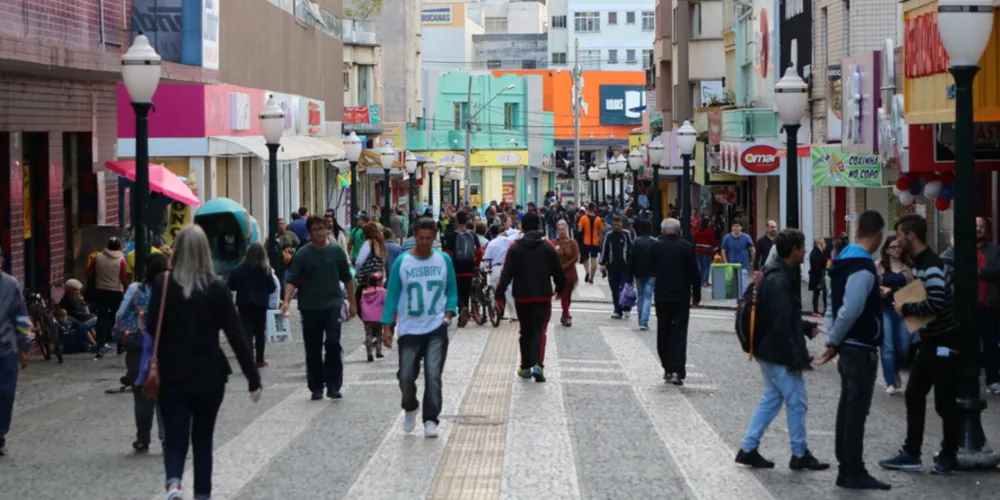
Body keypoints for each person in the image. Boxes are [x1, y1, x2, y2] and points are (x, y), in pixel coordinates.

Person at [147, 225, 262, 500]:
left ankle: (174, 484)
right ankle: (202, 495)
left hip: (172, 373)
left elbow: (152, 326)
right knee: (202, 439)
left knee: (174, 437)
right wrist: (252, 377)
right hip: (210, 375)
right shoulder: (216, 287)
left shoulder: (163, 285)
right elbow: (235, 334)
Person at [735, 229, 828, 472]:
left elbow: (783, 317)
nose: (805, 251)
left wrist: (806, 328)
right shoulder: (780, 279)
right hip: (777, 352)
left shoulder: (775, 272)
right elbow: (781, 323)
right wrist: (797, 358)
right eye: (803, 247)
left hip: (766, 349)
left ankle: (748, 448)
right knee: (797, 401)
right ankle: (799, 453)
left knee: (772, 399)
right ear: (794, 250)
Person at [813, 210, 891, 490]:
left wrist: (833, 338)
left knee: (848, 408)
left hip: (848, 345)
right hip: (859, 346)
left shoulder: (842, 260)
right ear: (879, 232)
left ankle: (847, 467)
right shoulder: (863, 265)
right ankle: (852, 470)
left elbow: (834, 304)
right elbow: (852, 308)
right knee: (856, 410)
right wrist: (834, 341)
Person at [879, 214, 961, 475]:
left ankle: (948, 454)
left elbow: (936, 302)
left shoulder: (932, 265)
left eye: (900, 234)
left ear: (911, 236)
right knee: (915, 395)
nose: (898, 238)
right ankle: (912, 452)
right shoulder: (921, 263)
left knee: (945, 401)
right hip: (931, 340)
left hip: (943, 341)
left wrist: (906, 307)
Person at [380, 218, 457, 438]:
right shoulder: (403, 262)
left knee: (433, 375)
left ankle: (431, 419)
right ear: (414, 237)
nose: (424, 243)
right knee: (405, 374)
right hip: (410, 327)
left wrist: (449, 313)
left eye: (428, 239)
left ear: (434, 238)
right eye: (420, 238)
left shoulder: (443, 260)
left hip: (436, 326)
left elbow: (451, 290)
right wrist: (387, 325)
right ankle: (410, 405)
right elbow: (392, 293)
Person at [282, 216, 358, 400]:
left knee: (333, 344)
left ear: (327, 230)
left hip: (332, 305)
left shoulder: (336, 251)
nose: (318, 232)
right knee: (313, 348)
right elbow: (292, 279)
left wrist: (353, 302)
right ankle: (316, 386)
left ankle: (333, 385)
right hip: (309, 307)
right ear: (310, 232)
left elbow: (347, 278)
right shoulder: (303, 253)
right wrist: (285, 301)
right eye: (315, 229)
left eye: (321, 228)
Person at [496, 212, 565, 382]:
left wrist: (499, 295)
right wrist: (560, 288)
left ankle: (525, 366)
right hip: (542, 295)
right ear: (539, 227)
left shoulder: (515, 247)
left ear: (522, 227)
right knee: (540, 329)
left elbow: (505, 274)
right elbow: (558, 271)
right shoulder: (547, 247)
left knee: (525, 330)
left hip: (521, 296)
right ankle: (538, 366)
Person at [114, 252, 169, 453]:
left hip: (138, 344)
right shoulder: (171, 290)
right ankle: (167, 438)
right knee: (165, 393)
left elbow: (120, 314)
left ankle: (142, 438)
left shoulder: (136, 288)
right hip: (165, 346)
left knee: (142, 393)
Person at [648, 219, 701, 383]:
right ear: (679, 230)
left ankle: (667, 368)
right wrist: (697, 294)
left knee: (663, 331)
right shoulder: (686, 247)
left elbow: (650, 269)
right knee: (679, 332)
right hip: (681, 296)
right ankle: (678, 370)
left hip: (662, 295)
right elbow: (694, 272)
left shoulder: (656, 246)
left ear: (662, 231)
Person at [0, 245, 31, 457]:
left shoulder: (11, 285)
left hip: (5, 347)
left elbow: (21, 317)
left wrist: (24, 346)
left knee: (5, 394)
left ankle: (0, 435)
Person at [227, 242, 277, 368]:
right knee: (260, 332)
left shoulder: (239, 269)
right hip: (260, 304)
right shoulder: (265, 270)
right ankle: (259, 360)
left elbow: (231, 284)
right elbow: (272, 287)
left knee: (246, 331)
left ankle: (248, 360)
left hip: (244, 303)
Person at [875, 235, 912, 394]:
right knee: (888, 346)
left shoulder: (908, 267)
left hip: (903, 311)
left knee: (903, 346)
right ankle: (890, 381)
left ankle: (895, 370)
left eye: (899, 247)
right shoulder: (879, 266)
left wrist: (893, 291)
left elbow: (913, 291)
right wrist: (881, 292)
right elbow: (871, 287)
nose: (897, 250)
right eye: (893, 247)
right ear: (887, 250)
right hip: (885, 310)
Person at [86, 237, 129, 355]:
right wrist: (126, 291)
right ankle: (119, 344)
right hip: (116, 292)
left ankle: (100, 346)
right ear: (119, 246)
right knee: (117, 317)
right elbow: (123, 277)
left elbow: (88, 273)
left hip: (100, 291)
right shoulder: (121, 260)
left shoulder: (97, 258)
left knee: (102, 317)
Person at [443, 211, 482, 327]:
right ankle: (463, 314)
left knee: (455, 291)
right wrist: (477, 263)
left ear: (456, 221)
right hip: (469, 267)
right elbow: (479, 251)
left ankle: (462, 308)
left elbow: (447, 254)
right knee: (466, 292)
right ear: (467, 221)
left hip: (455, 268)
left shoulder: (451, 235)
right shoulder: (473, 235)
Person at [974, 217, 1000, 394]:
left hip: (990, 305)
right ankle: (969, 380)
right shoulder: (962, 250)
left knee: (991, 344)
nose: (978, 229)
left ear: (987, 230)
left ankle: (993, 380)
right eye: (975, 226)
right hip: (969, 307)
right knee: (969, 345)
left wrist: (977, 272)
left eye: (981, 226)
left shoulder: (995, 250)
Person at [483, 215, 521, 322]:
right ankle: (513, 314)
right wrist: (508, 233)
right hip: (506, 268)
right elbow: (519, 233)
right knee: (509, 292)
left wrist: (482, 267)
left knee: (493, 291)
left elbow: (486, 259)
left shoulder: (491, 243)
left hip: (495, 269)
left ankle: (494, 310)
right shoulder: (508, 241)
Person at [600, 216, 634, 320]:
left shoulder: (626, 234)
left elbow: (632, 249)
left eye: (618, 224)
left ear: (621, 224)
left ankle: (627, 308)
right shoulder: (609, 236)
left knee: (624, 289)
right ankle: (617, 310)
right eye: (614, 224)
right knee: (614, 290)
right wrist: (602, 263)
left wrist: (632, 264)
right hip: (612, 267)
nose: (616, 226)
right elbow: (605, 249)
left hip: (625, 267)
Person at [629, 219, 657, 331]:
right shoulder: (654, 242)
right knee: (648, 297)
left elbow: (631, 259)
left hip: (638, 272)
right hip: (651, 273)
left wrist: (630, 274)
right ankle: (644, 322)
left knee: (640, 296)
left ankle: (641, 320)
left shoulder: (635, 242)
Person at [552, 219, 580, 327]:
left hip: (570, 274)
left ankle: (565, 314)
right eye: (559, 229)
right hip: (560, 275)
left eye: (563, 229)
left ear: (566, 230)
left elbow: (575, 257)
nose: (561, 231)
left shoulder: (573, 242)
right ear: (557, 230)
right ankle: (567, 315)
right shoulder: (554, 243)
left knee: (568, 296)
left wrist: (565, 266)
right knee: (563, 295)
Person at [577, 203, 605, 284]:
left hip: (586, 242)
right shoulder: (598, 219)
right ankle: (592, 278)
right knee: (594, 259)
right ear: (595, 209)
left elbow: (579, 230)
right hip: (595, 242)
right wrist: (601, 241)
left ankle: (587, 272)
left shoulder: (583, 218)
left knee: (585, 258)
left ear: (588, 209)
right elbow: (601, 232)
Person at [692, 216, 717, 288]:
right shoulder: (709, 231)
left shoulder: (698, 230)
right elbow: (712, 241)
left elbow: (694, 241)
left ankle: (700, 281)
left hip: (698, 251)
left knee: (701, 266)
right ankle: (705, 282)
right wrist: (715, 247)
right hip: (707, 251)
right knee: (706, 266)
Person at [808, 238, 829, 317]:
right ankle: (816, 310)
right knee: (817, 294)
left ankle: (823, 309)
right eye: (823, 243)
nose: (825, 245)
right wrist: (826, 266)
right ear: (820, 244)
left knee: (823, 293)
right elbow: (819, 265)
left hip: (819, 276)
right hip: (817, 276)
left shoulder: (819, 253)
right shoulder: (816, 253)